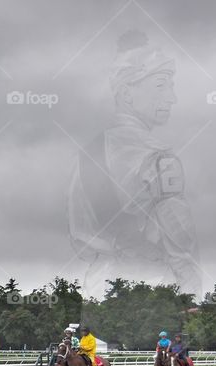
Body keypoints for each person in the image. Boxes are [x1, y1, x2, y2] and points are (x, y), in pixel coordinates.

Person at [68, 30, 201, 301]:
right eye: (161, 85)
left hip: (96, 292)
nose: (172, 97)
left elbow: (79, 239)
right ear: (127, 93)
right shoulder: (160, 159)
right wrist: (192, 302)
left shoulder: (85, 156)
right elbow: (182, 250)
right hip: (152, 295)